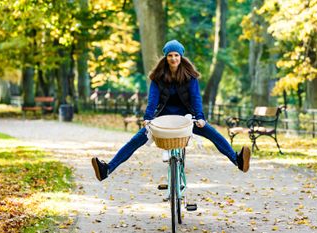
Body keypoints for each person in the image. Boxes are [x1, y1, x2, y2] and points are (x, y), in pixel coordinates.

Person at [91, 40, 251, 181]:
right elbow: (152, 99)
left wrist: (200, 117)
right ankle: (107, 169)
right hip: (162, 121)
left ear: (181, 57)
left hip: (187, 119)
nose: (173, 58)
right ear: (165, 58)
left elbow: (196, 98)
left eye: (176, 55)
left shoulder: (191, 77)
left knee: (213, 134)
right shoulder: (157, 77)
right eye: (170, 55)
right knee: (135, 141)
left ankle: (238, 161)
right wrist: (147, 117)